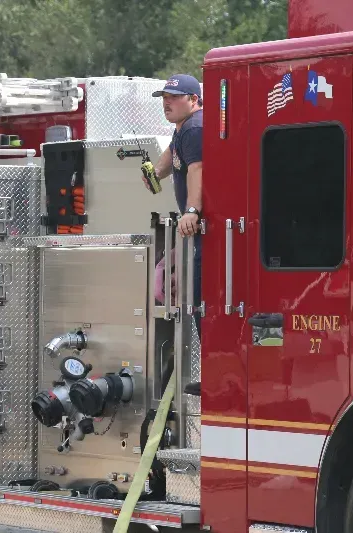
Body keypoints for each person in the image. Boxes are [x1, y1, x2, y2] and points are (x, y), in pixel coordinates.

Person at [148, 74, 203, 397]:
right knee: (196, 301)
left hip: (203, 227)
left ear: (194, 100)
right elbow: (170, 158)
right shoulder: (183, 128)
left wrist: (192, 211)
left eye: (174, 96)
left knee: (202, 303)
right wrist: (154, 172)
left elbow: (199, 170)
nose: (166, 102)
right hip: (198, 232)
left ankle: (217, 377)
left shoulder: (195, 128)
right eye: (164, 96)